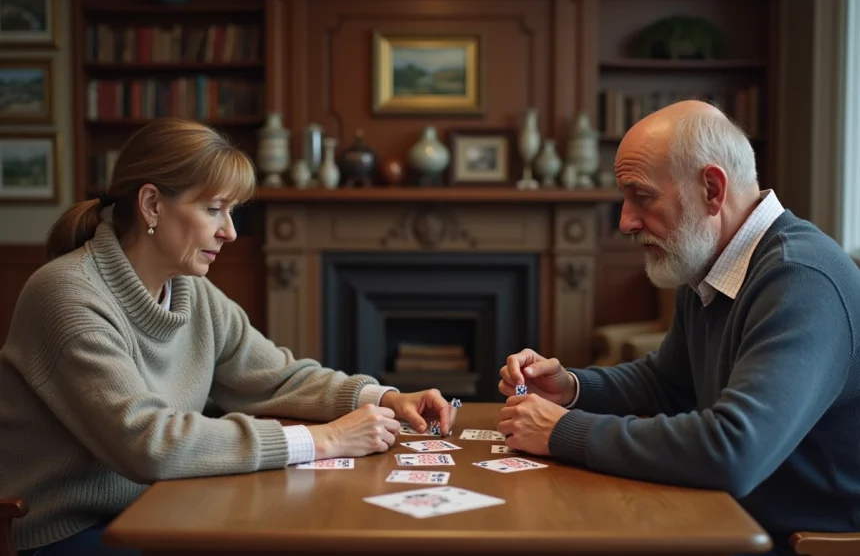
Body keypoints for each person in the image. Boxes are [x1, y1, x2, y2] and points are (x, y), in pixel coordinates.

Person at [0, 118, 458, 556]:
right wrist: (326, 440)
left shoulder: (190, 290)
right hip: (67, 531)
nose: (231, 232)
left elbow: (276, 377)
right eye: (213, 209)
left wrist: (381, 398)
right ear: (152, 205)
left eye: (232, 211)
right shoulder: (67, 294)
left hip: (159, 506)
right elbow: (148, 444)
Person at [497, 100, 860, 556]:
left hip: (799, 543)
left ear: (712, 188)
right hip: (727, 517)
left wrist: (563, 430)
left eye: (642, 196)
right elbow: (667, 382)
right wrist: (569, 387)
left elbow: (735, 450)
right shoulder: (709, 261)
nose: (625, 221)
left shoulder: (801, 277)